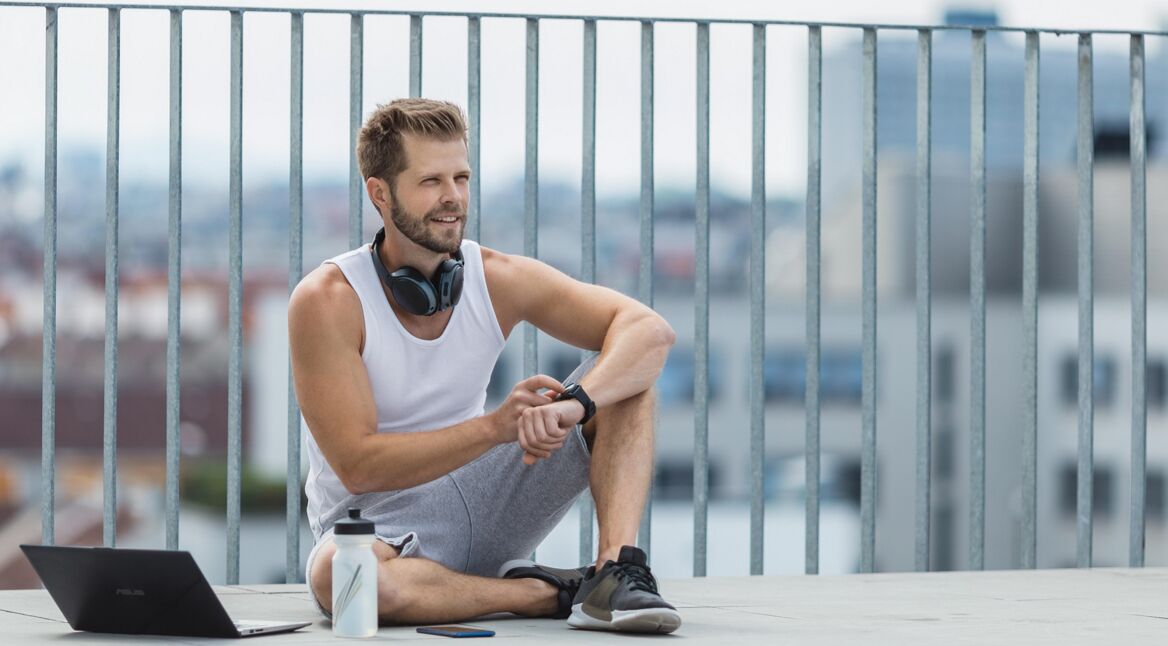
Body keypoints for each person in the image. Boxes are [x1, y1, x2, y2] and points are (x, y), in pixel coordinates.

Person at [288, 98, 680, 634]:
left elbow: (649, 332)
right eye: (430, 181)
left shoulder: (495, 277)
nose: (453, 197)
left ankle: (613, 575)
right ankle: (542, 593)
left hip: (490, 493)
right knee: (345, 580)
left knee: (629, 383)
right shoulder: (329, 299)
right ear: (380, 193)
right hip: (376, 525)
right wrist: (496, 427)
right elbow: (359, 465)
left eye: (461, 177)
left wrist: (575, 405)